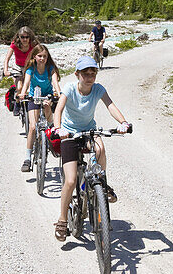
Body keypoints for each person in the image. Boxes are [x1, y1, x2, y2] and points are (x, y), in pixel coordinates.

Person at [52, 56, 130, 242]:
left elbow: (110, 106)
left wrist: (123, 122)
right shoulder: (70, 89)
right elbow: (59, 110)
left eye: (93, 73)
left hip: (88, 131)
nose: (89, 77)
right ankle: (62, 220)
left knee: (100, 148)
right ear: (77, 74)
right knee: (70, 181)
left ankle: (100, 182)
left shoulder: (98, 89)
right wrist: (57, 128)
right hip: (69, 135)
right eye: (85, 73)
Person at [17, 43, 62, 172]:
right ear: (34, 57)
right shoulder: (31, 68)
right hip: (34, 97)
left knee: (48, 114)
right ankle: (27, 158)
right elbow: (26, 83)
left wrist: (59, 94)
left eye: (45, 56)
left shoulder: (50, 68)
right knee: (32, 126)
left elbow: (55, 83)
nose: (42, 59)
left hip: (47, 96)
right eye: (40, 56)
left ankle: (49, 131)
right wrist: (22, 93)